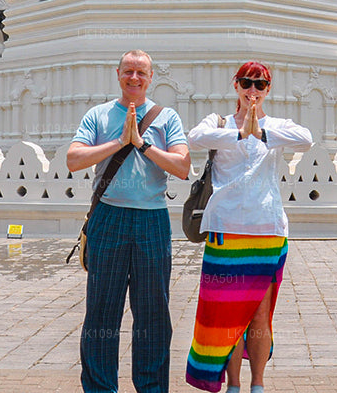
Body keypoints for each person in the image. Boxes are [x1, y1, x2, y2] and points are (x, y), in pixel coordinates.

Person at [67, 50, 192, 393]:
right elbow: (74, 159)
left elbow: (183, 167)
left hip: (152, 219)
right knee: (101, 311)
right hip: (109, 216)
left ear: (151, 78)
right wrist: (119, 142)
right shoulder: (99, 115)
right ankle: (99, 387)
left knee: (153, 312)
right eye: (128, 72)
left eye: (141, 72)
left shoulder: (166, 117)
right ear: (117, 74)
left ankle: (151, 387)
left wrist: (142, 144)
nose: (134, 78)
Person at [185, 62, 312, 393]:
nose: (252, 90)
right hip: (225, 230)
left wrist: (262, 133)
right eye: (246, 82)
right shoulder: (219, 123)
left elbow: (306, 140)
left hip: (266, 230)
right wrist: (240, 133)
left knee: (258, 313)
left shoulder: (276, 125)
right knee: (227, 316)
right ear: (236, 85)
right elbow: (195, 138)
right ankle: (234, 384)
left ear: (268, 89)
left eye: (259, 84)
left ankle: (257, 383)